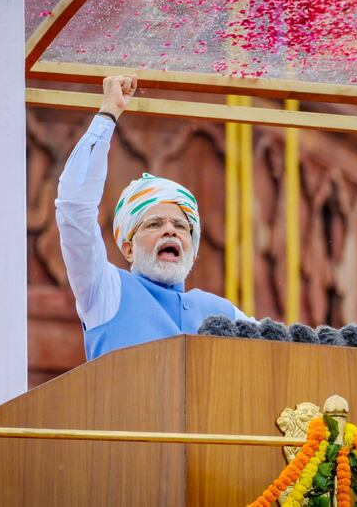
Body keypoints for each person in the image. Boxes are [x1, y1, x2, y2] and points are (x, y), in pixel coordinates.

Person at [56, 75, 250, 360]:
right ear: (129, 248)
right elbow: (74, 208)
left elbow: (281, 353)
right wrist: (108, 113)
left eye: (181, 226)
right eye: (155, 224)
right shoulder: (105, 291)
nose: (170, 230)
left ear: (193, 251)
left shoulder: (224, 314)